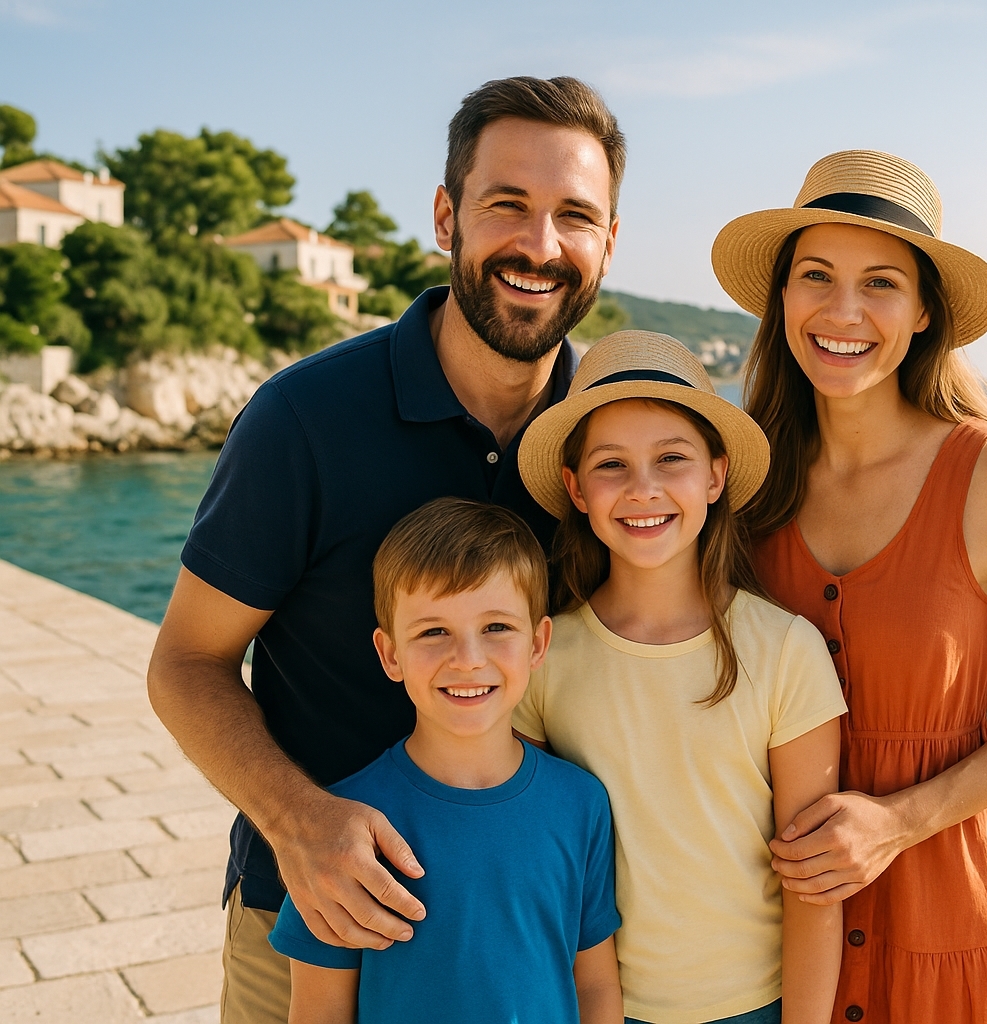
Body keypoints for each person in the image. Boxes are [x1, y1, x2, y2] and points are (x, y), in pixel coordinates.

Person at [145, 76, 625, 1024]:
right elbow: (186, 664)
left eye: (575, 215)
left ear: (609, 243)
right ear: (447, 216)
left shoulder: (612, 445)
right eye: (507, 204)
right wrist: (299, 823)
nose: (540, 245)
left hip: (532, 927)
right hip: (311, 920)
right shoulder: (303, 418)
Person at [711, 150, 987, 1024]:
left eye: (881, 284)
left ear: (925, 312)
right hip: (771, 920)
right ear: (783, 297)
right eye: (816, 275)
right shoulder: (744, 482)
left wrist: (897, 822)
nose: (842, 311)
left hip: (949, 904)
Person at [510, 331, 848, 1024]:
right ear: (575, 488)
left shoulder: (786, 650)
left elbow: (813, 883)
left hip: (755, 1006)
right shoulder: (543, 656)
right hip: (595, 1005)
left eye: (672, 459)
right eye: (611, 465)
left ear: (715, 477)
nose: (644, 490)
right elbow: (536, 863)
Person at [270, 497, 622, 1024]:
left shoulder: (581, 803)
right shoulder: (343, 828)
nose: (468, 659)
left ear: (538, 643)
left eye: (496, 627)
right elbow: (319, 1012)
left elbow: (594, 985)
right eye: (433, 632)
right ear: (390, 654)